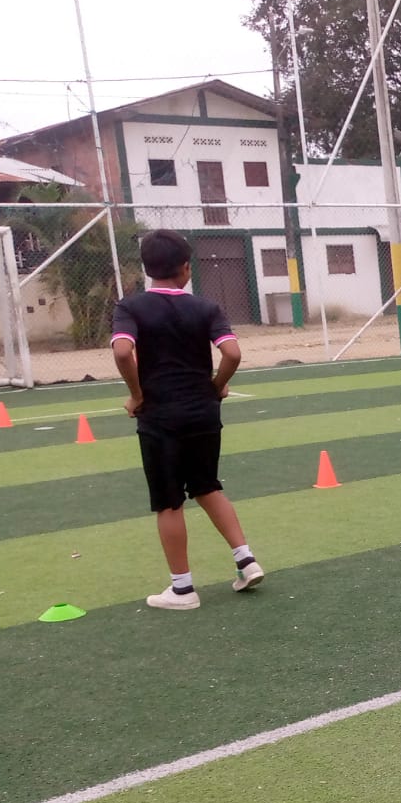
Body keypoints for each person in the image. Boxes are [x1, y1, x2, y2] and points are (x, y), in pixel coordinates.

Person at [111, 229, 264, 610]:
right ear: (185, 267)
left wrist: (136, 394)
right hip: (203, 412)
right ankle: (247, 560)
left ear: (147, 268)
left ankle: (182, 590)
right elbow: (232, 353)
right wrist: (217, 386)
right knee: (207, 486)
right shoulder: (206, 308)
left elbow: (123, 352)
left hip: (160, 416)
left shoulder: (130, 308)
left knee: (168, 502)